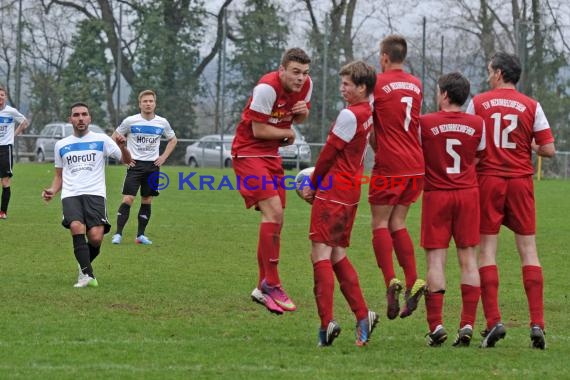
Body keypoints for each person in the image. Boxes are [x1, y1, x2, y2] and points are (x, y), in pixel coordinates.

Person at [466, 52, 555, 349]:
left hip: (488, 180)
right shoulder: (532, 105)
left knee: (487, 252)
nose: (489, 75)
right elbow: (549, 149)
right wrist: (530, 146)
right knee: (528, 250)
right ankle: (537, 324)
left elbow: (468, 140)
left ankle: (493, 322)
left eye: (491, 70)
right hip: (520, 182)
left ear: (501, 73)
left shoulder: (478, 102)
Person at [301, 61, 378, 347]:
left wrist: (313, 183)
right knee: (336, 255)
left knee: (319, 255)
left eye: (347, 84)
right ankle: (362, 315)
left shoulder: (349, 115)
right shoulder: (368, 111)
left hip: (333, 191)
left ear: (362, 87)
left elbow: (328, 155)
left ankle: (326, 323)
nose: (342, 88)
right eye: (342, 83)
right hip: (350, 193)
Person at [231, 47, 312, 314]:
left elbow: (298, 115)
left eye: (304, 73)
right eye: (295, 72)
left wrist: (302, 114)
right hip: (247, 153)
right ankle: (272, 282)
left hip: (271, 156)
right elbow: (259, 129)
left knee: (276, 219)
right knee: (273, 212)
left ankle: (260, 288)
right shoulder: (267, 88)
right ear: (282, 70)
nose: (301, 78)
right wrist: (289, 131)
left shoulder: (306, 86)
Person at [419, 73, 486, 347]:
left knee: (436, 262)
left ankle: (436, 326)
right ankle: (468, 323)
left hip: (437, 195)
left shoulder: (425, 123)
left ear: (445, 95)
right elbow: (478, 155)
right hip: (468, 195)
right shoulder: (477, 123)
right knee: (468, 259)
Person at [42, 102, 132, 287]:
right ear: (70, 119)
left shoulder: (102, 140)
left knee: (96, 237)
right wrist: (52, 190)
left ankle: (83, 265)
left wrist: (123, 147)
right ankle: (86, 275)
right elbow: (59, 176)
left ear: (90, 118)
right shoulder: (62, 145)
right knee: (76, 226)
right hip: (71, 194)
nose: (80, 118)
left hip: (95, 194)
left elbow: (127, 161)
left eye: (84, 114)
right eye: (76, 115)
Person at [369, 35, 426, 320]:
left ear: (384, 57)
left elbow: (371, 127)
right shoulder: (416, 84)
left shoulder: (376, 84)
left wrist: (375, 145)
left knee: (379, 222)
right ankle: (414, 279)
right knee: (398, 222)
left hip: (390, 165)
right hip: (415, 164)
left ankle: (391, 280)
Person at [110, 90, 177, 245]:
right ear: (139, 104)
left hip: (153, 167)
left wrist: (163, 157)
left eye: (150, 101)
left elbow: (173, 140)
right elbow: (113, 138)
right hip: (135, 165)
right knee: (128, 198)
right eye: (145, 101)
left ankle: (140, 236)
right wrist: (123, 157)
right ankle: (118, 234)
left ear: (155, 104)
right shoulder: (130, 121)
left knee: (147, 200)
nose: (148, 104)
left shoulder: (162, 122)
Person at [0, 85, 29, 219]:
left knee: (5, 181)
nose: (0, 97)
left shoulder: (10, 111)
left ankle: (3, 212)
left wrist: (13, 135)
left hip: (6, 149)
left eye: (2, 95)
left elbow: (24, 122)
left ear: (5, 96)